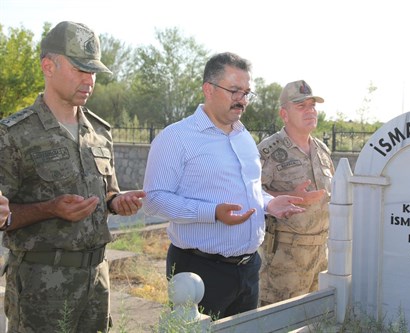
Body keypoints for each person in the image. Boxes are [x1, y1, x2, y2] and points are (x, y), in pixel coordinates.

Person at [0, 21, 146, 332]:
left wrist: (118, 202)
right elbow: (3, 215)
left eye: (92, 71)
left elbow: (108, 195)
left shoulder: (100, 132)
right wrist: (50, 208)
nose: (89, 80)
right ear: (48, 66)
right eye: (80, 69)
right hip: (42, 287)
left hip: (97, 281)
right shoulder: (13, 134)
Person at [142, 52, 305, 319]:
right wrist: (213, 212)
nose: (242, 99)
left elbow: (250, 189)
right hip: (200, 270)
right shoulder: (176, 138)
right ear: (209, 89)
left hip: (249, 268)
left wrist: (269, 203)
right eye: (234, 91)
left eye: (246, 92)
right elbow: (154, 200)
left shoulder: (244, 137)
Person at [257, 80, 335, 306]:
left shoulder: (322, 150)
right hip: (285, 258)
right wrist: (293, 195)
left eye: (312, 105)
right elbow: (250, 192)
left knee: (313, 319)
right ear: (284, 114)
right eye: (301, 106)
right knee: (280, 321)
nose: (310, 110)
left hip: (321, 254)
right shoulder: (269, 151)